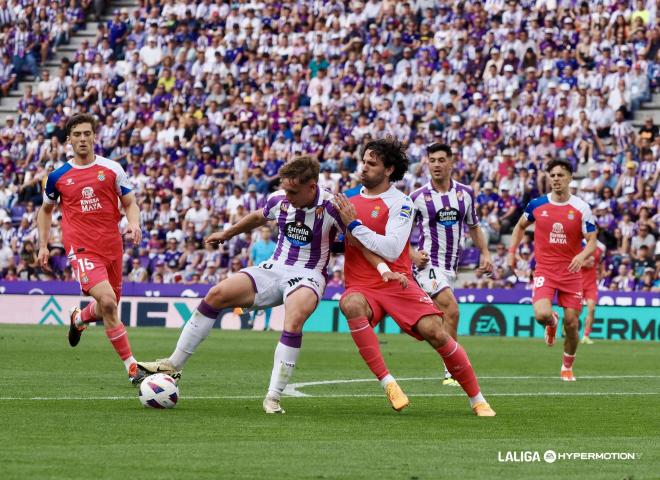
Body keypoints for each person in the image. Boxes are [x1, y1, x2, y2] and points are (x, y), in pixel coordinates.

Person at [137, 156, 404, 414]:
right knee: (217, 294)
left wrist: (383, 269)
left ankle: (273, 396)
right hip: (274, 268)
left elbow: (357, 241)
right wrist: (226, 234)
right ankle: (173, 364)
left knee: (294, 317)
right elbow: (257, 217)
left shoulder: (332, 207)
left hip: (309, 274)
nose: (287, 196)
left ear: (311, 188)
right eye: (285, 190)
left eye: (293, 192)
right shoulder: (280, 200)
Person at [334, 138, 495, 416]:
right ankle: (389, 382)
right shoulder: (346, 199)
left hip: (399, 281)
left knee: (436, 330)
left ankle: (477, 399)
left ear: (388, 170)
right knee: (350, 305)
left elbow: (392, 248)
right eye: (364, 161)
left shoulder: (402, 203)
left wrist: (354, 225)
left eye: (372, 164)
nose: (364, 167)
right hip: (363, 285)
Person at [36, 113, 144, 384]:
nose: (82, 139)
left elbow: (130, 202)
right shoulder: (58, 177)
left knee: (109, 307)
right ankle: (132, 367)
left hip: (112, 247)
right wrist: (43, 245)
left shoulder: (112, 169)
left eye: (87, 133)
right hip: (82, 249)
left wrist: (133, 224)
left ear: (95, 136)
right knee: (107, 301)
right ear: (68, 140)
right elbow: (45, 211)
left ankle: (79, 318)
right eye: (77, 135)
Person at [409, 143, 493, 386]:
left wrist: (485, 253)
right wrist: (413, 255)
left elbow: (474, 227)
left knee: (438, 323)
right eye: (432, 160)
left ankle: (420, 330)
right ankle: (452, 371)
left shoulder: (465, 193)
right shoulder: (417, 197)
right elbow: (400, 234)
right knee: (453, 311)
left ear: (451, 162)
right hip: (427, 265)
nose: (436, 164)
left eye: (441, 160)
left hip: (450, 268)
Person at [508, 159, 597, 381]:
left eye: (560, 175)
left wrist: (582, 254)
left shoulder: (581, 208)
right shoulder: (536, 205)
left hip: (571, 273)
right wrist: (512, 251)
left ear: (570, 178)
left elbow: (593, 240)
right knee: (542, 314)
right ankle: (551, 323)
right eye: (553, 175)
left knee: (572, 324)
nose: (556, 178)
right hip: (545, 271)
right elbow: (520, 226)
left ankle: (567, 365)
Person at [249, 226, 277, 330]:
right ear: (261, 233)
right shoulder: (256, 246)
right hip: (258, 275)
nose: (266, 233)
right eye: (264, 232)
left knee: (270, 301)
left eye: (267, 231)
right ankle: (252, 320)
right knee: (257, 299)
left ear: (270, 233)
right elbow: (252, 260)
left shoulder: (274, 246)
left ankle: (266, 324)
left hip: (270, 275)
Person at [581, 237, 606, 345]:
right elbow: (569, 262)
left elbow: (601, 262)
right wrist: (583, 264)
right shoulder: (578, 243)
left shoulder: (600, 247)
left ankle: (586, 335)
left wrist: (602, 272)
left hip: (591, 284)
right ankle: (568, 331)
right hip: (577, 283)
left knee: (592, 308)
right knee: (574, 312)